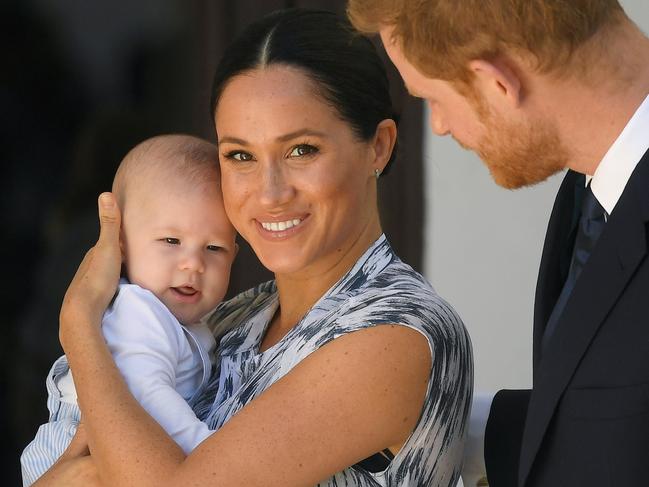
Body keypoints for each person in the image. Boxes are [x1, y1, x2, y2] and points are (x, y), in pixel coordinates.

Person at [31, 8, 473, 487]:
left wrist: (79, 325)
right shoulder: (234, 317)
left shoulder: (398, 332)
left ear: (379, 147)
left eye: (302, 150)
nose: (269, 192)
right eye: (240, 155)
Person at [347, 0, 649, 486]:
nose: (440, 126)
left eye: (431, 98)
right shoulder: (591, 185)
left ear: (497, 83)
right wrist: (437, 421)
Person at [22, 134, 237, 485]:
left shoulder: (188, 321)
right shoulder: (139, 312)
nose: (193, 264)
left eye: (214, 248)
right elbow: (148, 395)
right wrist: (206, 452)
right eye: (171, 241)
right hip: (77, 454)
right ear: (120, 244)